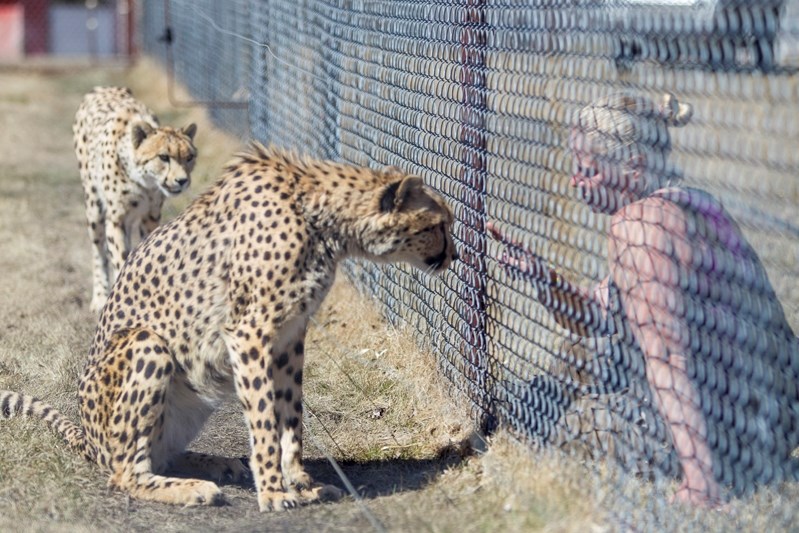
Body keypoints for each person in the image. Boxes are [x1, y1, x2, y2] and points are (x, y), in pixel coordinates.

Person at [489, 91, 799, 508]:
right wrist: (544, 279)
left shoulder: (638, 228)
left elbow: (669, 357)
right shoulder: (692, 200)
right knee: (579, 352)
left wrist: (699, 481)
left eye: (587, 170)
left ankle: (701, 472)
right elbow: (598, 315)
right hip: (776, 412)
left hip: (729, 432)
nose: (573, 181)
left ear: (632, 167)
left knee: (555, 419)